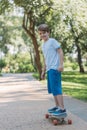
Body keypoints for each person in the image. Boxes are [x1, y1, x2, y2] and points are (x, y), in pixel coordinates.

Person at [38, 24, 66, 116]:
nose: (43, 35)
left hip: (55, 68)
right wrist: (43, 71)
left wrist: (61, 65)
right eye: (41, 33)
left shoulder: (52, 41)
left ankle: (62, 108)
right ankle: (57, 106)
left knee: (57, 88)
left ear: (48, 32)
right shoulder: (43, 45)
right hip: (49, 69)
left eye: (44, 33)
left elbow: (60, 51)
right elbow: (45, 59)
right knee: (53, 89)